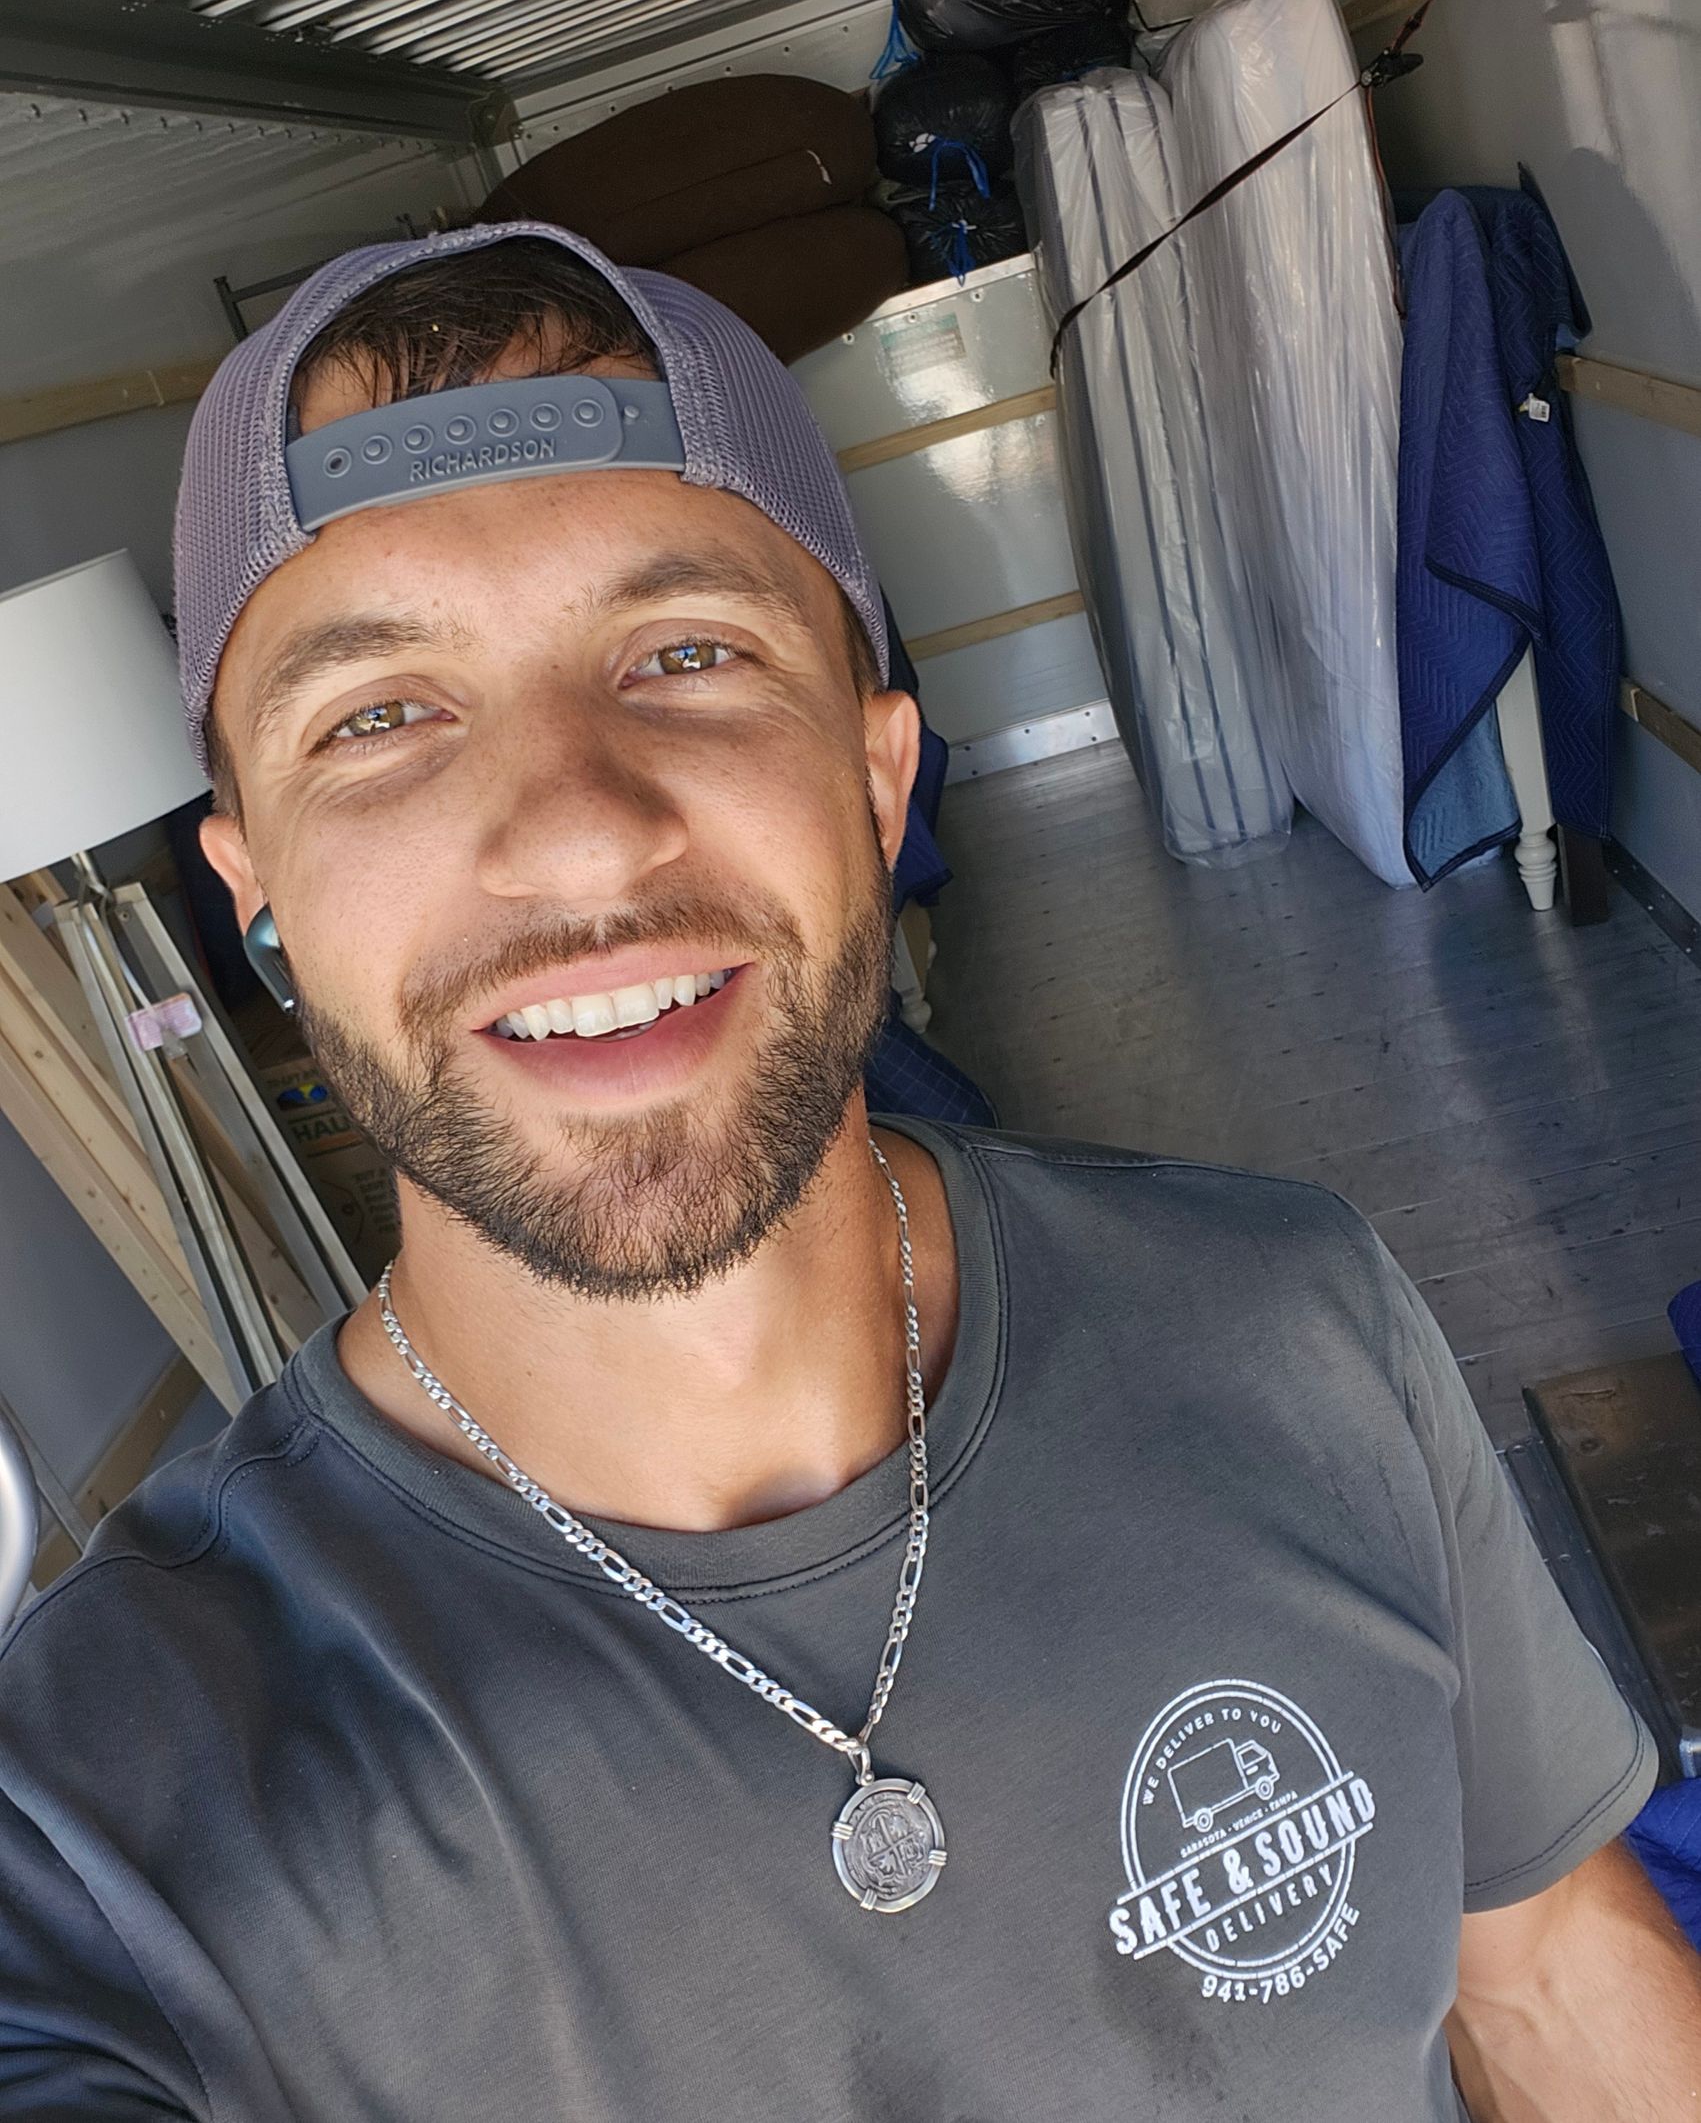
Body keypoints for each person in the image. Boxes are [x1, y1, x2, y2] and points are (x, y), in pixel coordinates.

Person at [0, 222, 1694, 2123]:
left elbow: (1545, 1975)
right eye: (379, 717)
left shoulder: (1297, 1316)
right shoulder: (102, 1821)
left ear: (880, 784)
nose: (574, 831)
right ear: (259, 905)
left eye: (687, 654)